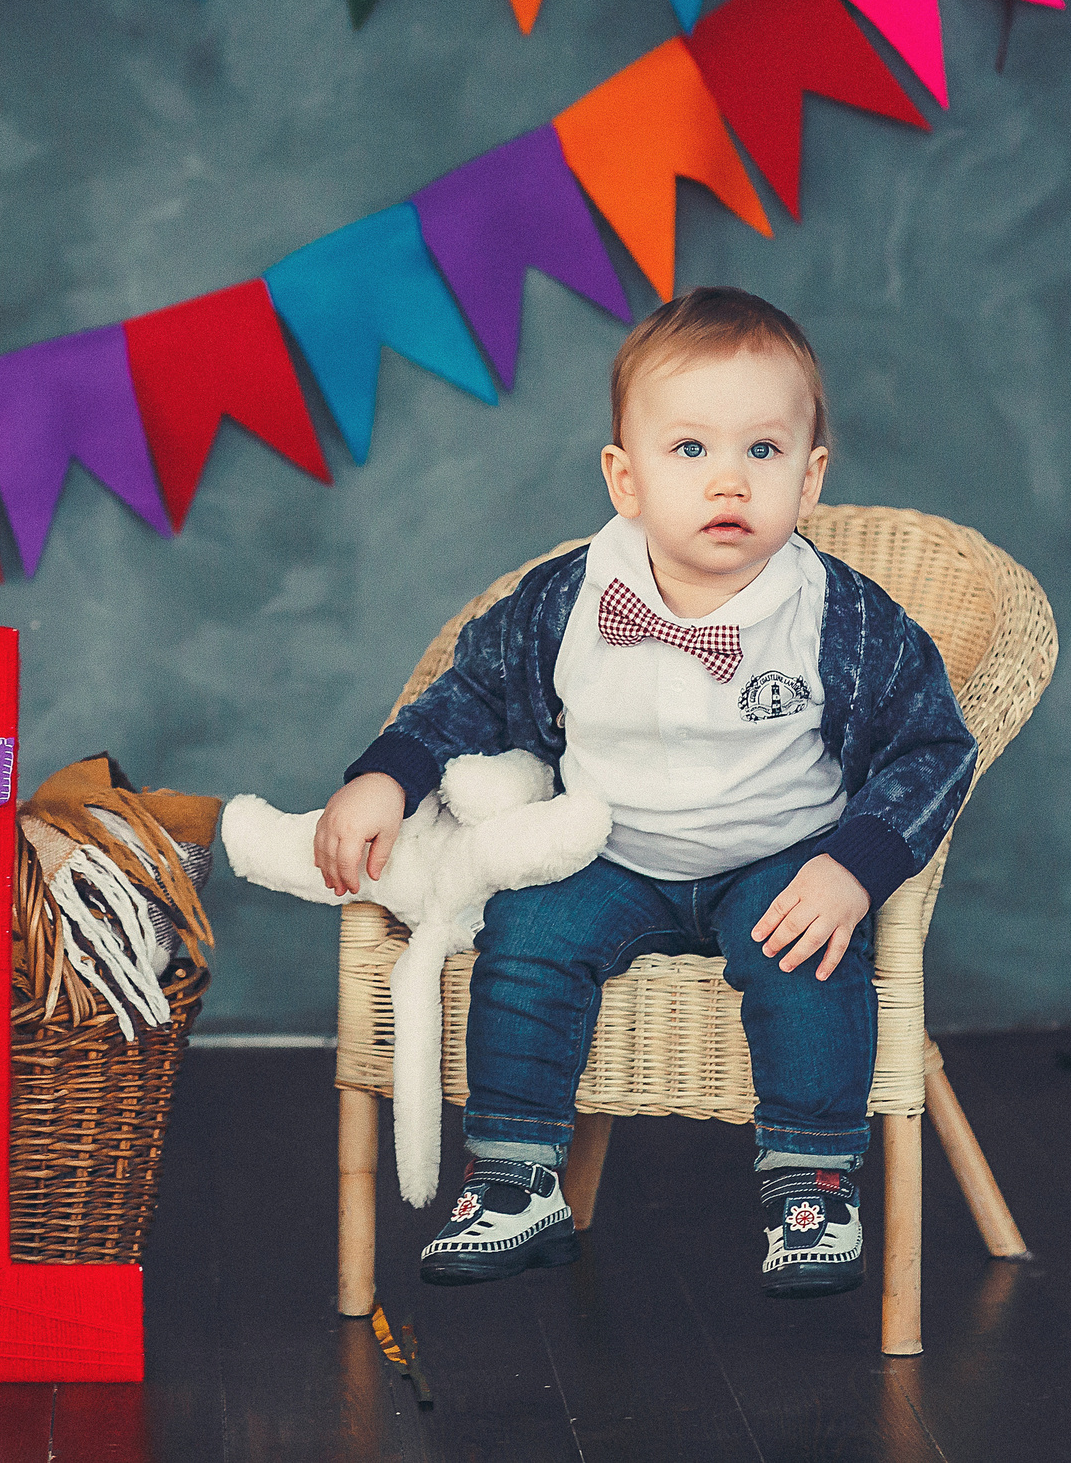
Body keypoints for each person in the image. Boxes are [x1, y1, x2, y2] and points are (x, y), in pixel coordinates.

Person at [313, 287, 976, 1300]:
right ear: (624, 479)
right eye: (688, 450)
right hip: (611, 853)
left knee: (806, 952)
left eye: (762, 452)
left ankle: (810, 1179)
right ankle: (513, 1175)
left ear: (810, 478)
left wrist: (856, 867)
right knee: (528, 936)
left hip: (780, 855)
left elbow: (932, 746)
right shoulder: (568, 600)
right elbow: (471, 695)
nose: (728, 480)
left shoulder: (838, 617)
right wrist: (383, 777)